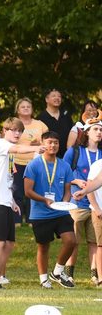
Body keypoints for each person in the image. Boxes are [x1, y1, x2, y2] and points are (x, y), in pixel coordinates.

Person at [0, 118, 44, 289]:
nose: (16, 133)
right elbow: (18, 148)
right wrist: (36, 147)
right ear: (5, 130)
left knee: (9, 243)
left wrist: (12, 201)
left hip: (5, 201)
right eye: (13, 130)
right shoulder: (1, 144)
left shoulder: (8, 154)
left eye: (19, 131)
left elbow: (5, 180)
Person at [23, 131, 77, 288]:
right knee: (43, 246)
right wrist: (44, 199)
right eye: (49, 142)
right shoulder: (34, 164)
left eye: (56, 142)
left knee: (71, 241)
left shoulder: (64, 165)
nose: (53, 145)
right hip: (40, 214)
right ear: (43, 144)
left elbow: (68, 190)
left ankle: (58, 272)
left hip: (60, 212)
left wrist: (65, 203)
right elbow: (27, 191)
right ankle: (43, 279)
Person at [61, 119, 102, 283]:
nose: (99, 132)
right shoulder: (75, 151)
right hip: (77, 202)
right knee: (74, 240)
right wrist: (77, 182)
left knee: (94, 240)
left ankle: (95, 274)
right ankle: (69, 273)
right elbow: (63, 172)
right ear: (86, 132)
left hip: (96, 204)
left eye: (101, 130)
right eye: (95, 129)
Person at [11, 98, 49, 223]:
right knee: (17, 191)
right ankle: (16, 220)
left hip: (35, 163)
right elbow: (6, 141)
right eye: (23, 107)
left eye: (28, 106)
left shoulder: (40, 124)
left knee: (34, 191)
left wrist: (39, 143)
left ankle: (32, 219)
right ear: (17, 110)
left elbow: (49, 141)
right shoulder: (14, 124)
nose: (26, 108)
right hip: (16, 161)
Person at [37, 88, 74, 157]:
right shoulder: (40, 118)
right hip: (48, 156)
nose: (57, 98)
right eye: (54, 96)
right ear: (46, 99)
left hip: (66, 156)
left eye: (59, 96)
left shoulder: (66, 116)